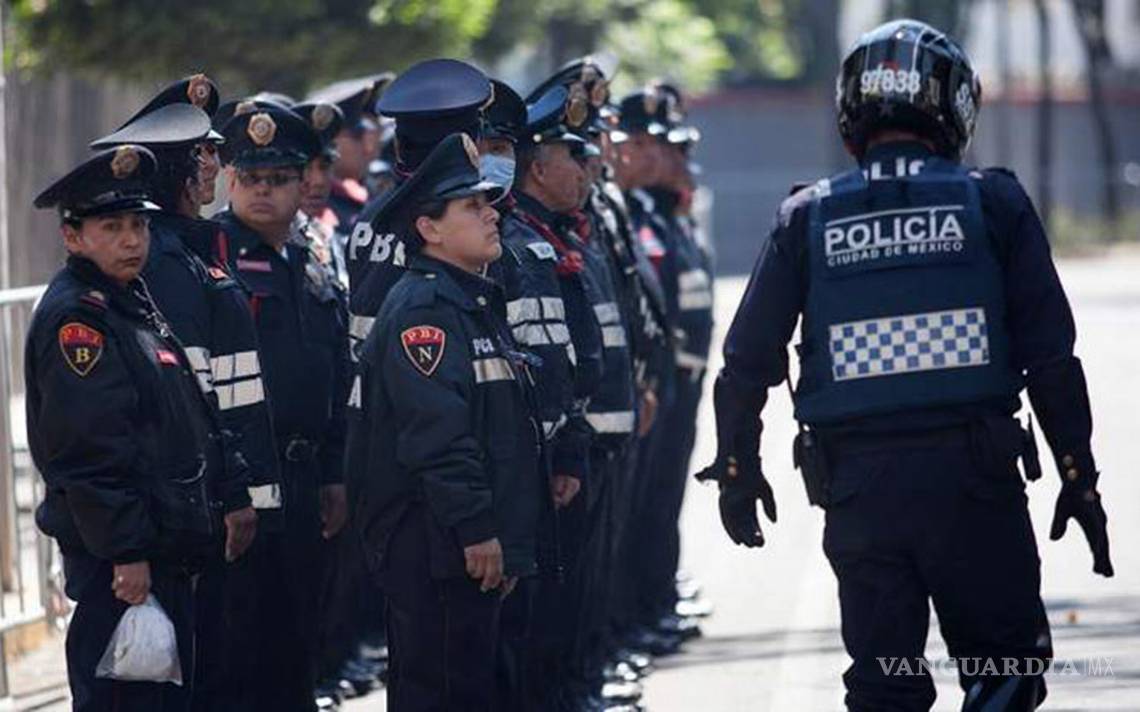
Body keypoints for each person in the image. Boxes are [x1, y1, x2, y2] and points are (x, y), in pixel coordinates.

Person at [697, 20, 1113, 712]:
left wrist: (737, 469)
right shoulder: (995, 203)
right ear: (953, 105)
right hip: (975, 486)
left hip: (861, 494)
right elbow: (1051, 359)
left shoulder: (806, 218)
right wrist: (1079, 474)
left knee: (885, 685)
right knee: (1004, 673)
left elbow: (746, 360)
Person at [89, 97, 286, 710]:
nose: (217, 164)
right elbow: (182, 407)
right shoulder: (165, 264)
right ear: (180, 166)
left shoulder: (196, 250)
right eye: (206, 151)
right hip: (187, 518)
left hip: (219, 507)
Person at [27, 146, 226, 711]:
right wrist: (126, 551)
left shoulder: (125, 300)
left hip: (156, 544)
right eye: (111, 227)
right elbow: (90, 448)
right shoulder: (79, 319)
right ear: (73, 237)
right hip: (119, 562)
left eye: (138, 224)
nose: (131, 239)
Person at [349, 132, 543, 711]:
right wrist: (478, 529)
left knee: (472, 686)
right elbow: (438, 435)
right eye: (473, 207)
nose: (492, 217)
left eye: (490, 205)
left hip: (459, 539)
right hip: (434, 543)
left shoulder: (469, 300)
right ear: (429, 228)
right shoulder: (425, 312)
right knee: (439, 690)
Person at [214, 103, 351, 712]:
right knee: (243, 649)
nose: (263, 192)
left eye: (278, 180)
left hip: (303, 475)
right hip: (242, 480)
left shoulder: (314, 252)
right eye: (250, 179)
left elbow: (336, 372)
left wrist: (334, 472)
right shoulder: (207, 252)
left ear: (304, 185)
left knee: (300, 640)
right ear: (230, 181)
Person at [486, 80, 596, 711]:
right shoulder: (496, 239)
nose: (586, 169)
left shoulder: (536, 236)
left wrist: (568, 448)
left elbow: (562, 357)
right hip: (504, 464)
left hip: (552, 449)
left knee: (544, 617)